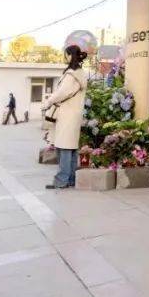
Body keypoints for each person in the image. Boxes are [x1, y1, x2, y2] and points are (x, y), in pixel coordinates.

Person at [42, 46, 88, 190]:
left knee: (64, 148)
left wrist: (48, 102)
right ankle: (71, 179)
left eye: (66, 55)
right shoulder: (80, 74)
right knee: (71, 148)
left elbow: (62, 92)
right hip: (74, 114)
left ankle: (61, 180)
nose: (65, 57)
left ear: (70, 56)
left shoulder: (72, 75)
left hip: (66, 114)